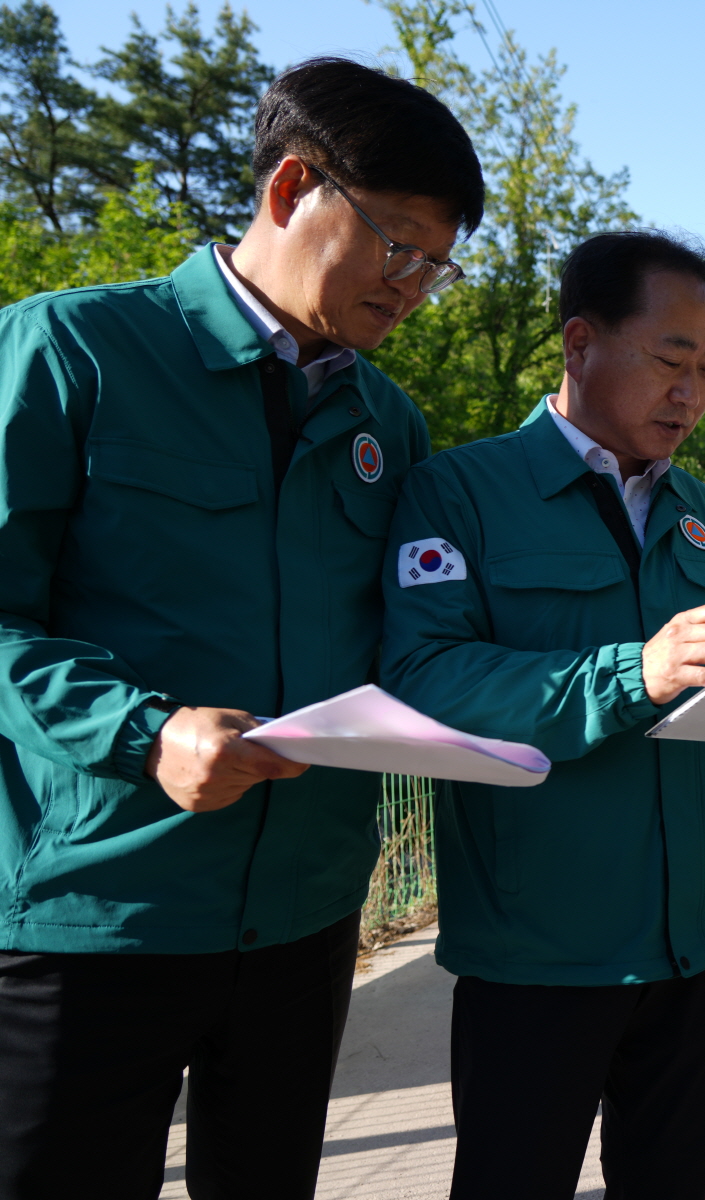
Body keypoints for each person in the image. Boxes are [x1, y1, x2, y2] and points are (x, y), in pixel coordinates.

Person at [0, 58, 482, 1199]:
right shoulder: (73, 352)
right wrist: (144, 733)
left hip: (306, 918)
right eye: (398, 244)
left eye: (438, 264)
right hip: (100, 912)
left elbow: (419, 638)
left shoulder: (389, 424)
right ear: (291, 187)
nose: (414, 286)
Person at [379, 231, 705, 1200]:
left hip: (700, 948)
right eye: (670, 362)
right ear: (579, 344)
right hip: (539, 957)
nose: (691, 393)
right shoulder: (460, 493)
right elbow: (425, 683)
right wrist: (628, 674)